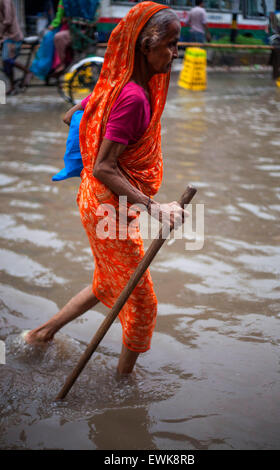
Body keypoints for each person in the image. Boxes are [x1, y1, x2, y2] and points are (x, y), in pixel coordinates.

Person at [25, 2, 188, 376]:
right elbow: (103, 166)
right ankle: (121, 388)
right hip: (106, 207)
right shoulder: (132, 96)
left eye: (177, 44)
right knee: (143, 303)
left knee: (105, 282)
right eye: (168, 44)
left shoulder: (114, 80)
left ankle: (40, 335)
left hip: (94, 200)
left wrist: (93, 119)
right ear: (144, 46)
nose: (174, 53)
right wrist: (155, 207)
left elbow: (71, 116)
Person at [0, 0, 25, 95]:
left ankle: (28, 72)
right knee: (6, 65)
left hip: (12, 37)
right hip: (5, 37)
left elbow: (8, 20)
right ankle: (12, 86)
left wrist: (1, 33)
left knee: (6, 59)